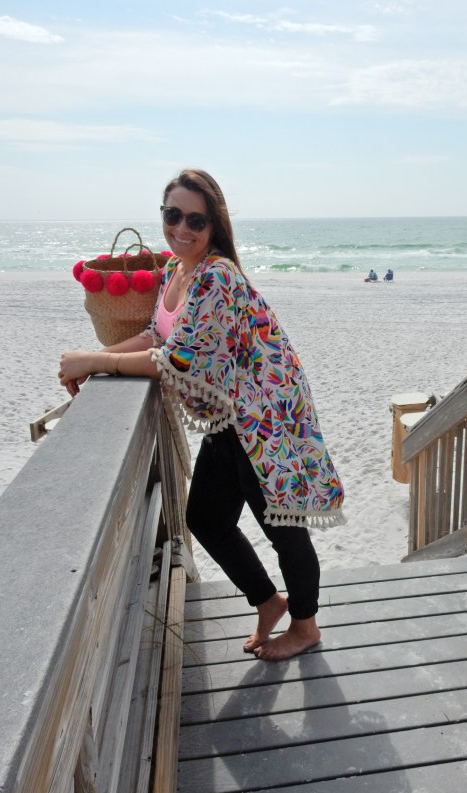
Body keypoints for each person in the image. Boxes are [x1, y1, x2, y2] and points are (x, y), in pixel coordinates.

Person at [58, 169, 345, 661]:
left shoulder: (217, 276)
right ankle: (267, 601)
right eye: (174, 215)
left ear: (214, 226)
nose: (183, 228)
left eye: (197, 220)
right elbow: (156, 336)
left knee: (283, 529)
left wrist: (95, 361)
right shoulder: (175, 271)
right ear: (163, 215)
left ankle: (305, 627)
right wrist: (91, 355)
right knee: (206, 520)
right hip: (228, 416)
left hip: (263, 415)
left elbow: (179, 360)